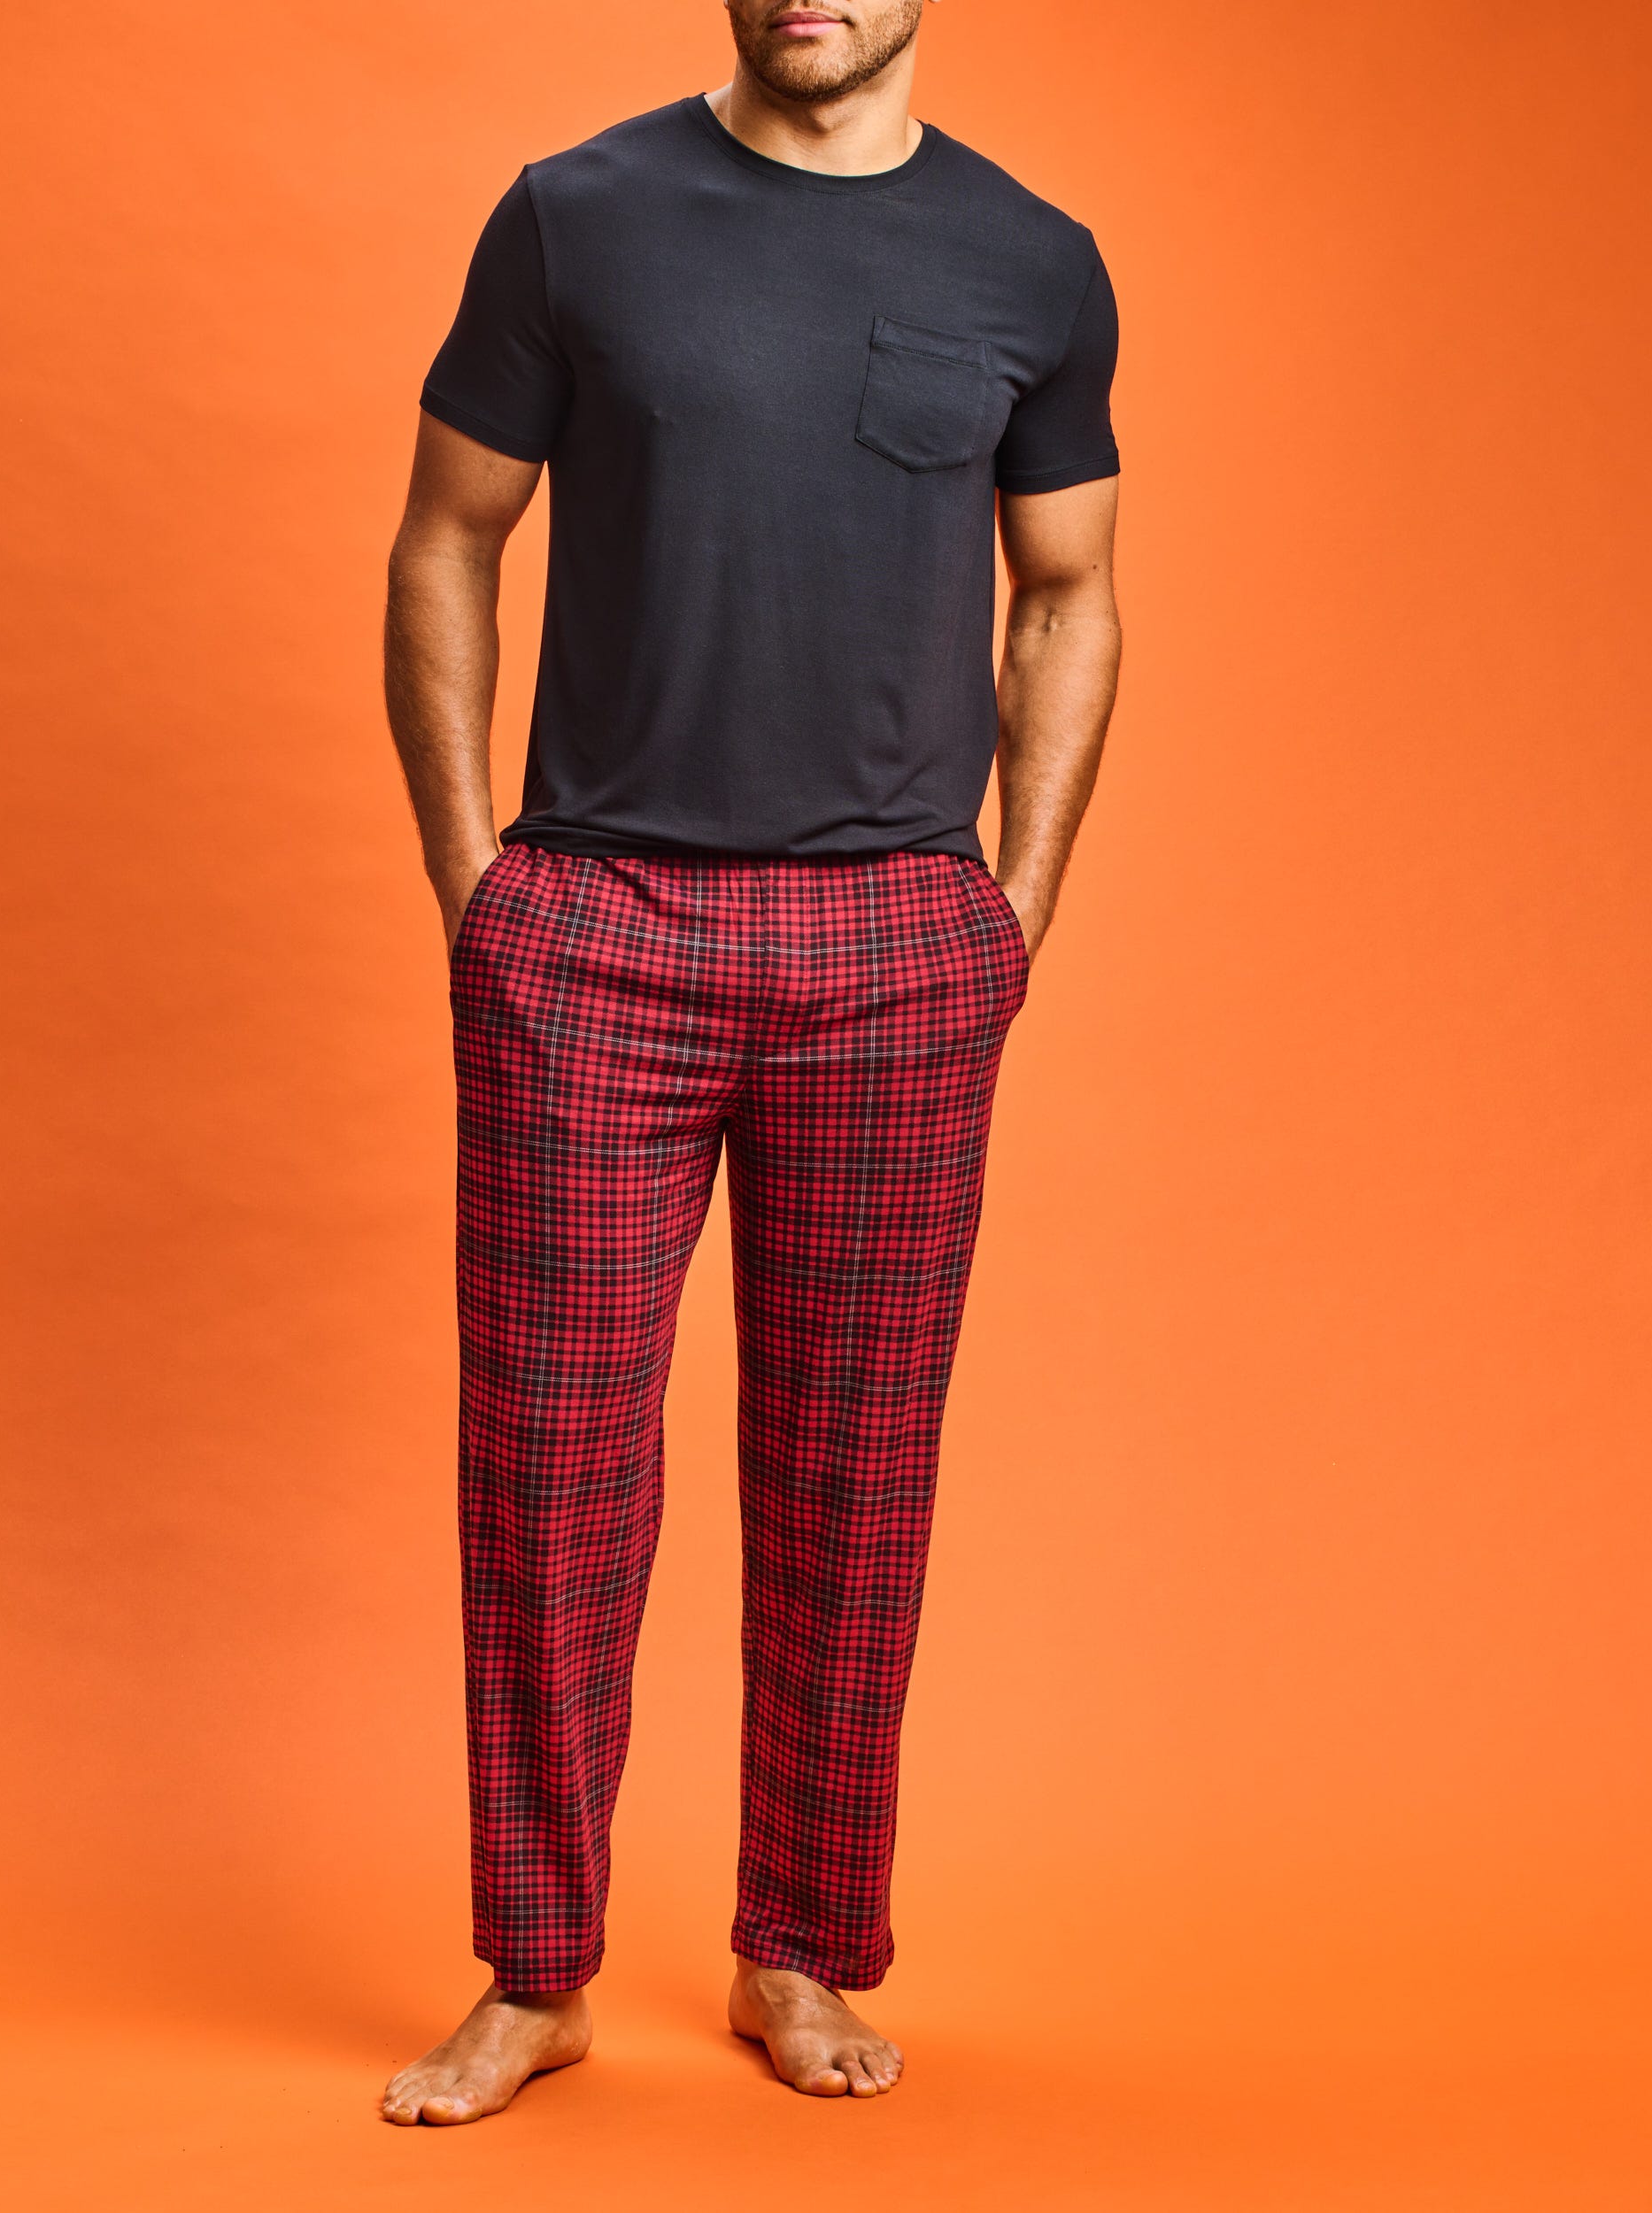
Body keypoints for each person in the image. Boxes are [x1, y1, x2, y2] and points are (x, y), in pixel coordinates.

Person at [371, 0, 1124, 2128]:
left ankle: (797, 1939)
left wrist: (1009, 908)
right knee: (548, 1468)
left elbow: (1068, 591)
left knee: (851, 1473)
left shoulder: (1031, 258)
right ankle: (536, 1971)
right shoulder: (574, 217)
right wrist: (475, 882)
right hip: (595, 926)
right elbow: (445, 532)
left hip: (895, 946)